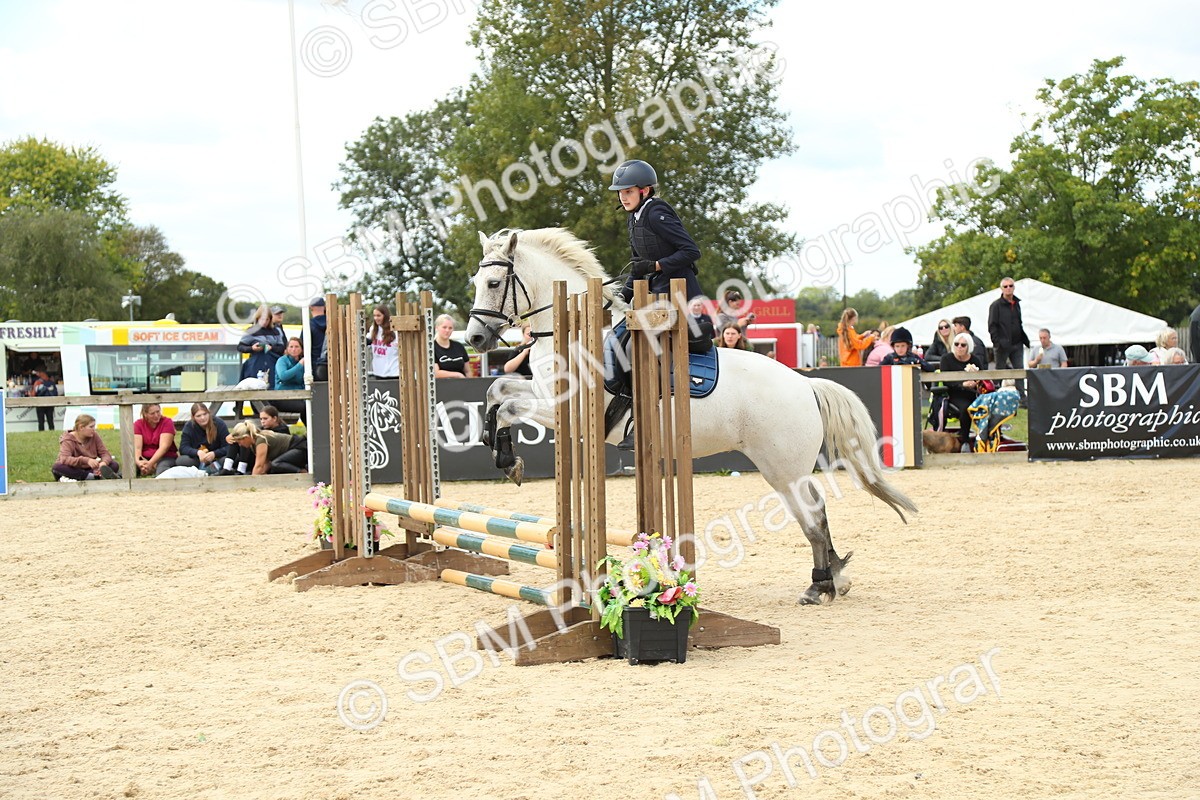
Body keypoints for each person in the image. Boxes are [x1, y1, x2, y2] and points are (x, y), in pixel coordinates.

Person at [607, 159, 702, 450]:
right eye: (620, 191)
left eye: (628, 191)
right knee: (617, 338)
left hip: (679, 295)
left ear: (645, 191)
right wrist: (619, 297)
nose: (623, 196)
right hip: (654, 296)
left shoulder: (657, 212)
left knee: (636, 348)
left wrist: (658, 264)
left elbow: (690, 251)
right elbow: (639, 268)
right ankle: (623, 408)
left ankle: (644, 420)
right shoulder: (633, 218)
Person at [51, 414, 121, 482]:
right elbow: (65, 459)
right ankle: (93, 477)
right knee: (58, 467)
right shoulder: (67, 439)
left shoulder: (94, 436)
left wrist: (103, 463)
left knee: (114, 465)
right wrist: (86, 460)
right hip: (74, 468)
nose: (94, 429)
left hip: (90, 468)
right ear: (81, 427)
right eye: (91, 427)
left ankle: (91, 476)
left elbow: (105, 453)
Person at [222, 421, 307, 475]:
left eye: (240, 442)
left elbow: (258, 466)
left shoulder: (260, 441)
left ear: (246, 437)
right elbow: (265, 463)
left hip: (300, 448)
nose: (240, 445)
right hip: (293, 450)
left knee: (276, 464)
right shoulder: (254, 443)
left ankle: (303, 473)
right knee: (273, 466)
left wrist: (251, 484)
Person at [238, 304, 287, 385]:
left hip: (273, 363)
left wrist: (271, 348)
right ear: (257, 318)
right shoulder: (251, 331)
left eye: (267, 319)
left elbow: (281, 348)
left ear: (270, 320)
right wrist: (252, 348)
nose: (264, 322)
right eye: (262, 319)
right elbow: (240, 347)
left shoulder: (276, 331)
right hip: (255, 364)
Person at [176, 402, 229, 474]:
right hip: (198, 460)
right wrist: (197, 452)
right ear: (193, 417)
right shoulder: (189, 426)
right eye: (198, 416)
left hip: (217, 458)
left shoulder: (219, 423)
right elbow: (183, 448)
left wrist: (214, 454)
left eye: (205, 414)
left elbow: (228, 446)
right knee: (181, 461)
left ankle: (210, 470)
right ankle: (204, 470)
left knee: (229, 459)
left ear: (209, 413)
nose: (203, 418)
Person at [133, 403, 178, 477]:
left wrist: (150, 463)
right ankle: (119, 478)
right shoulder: (138, 424)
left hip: (165, 456)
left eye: (158, 412)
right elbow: (137, 448)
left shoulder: (167, 422)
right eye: (152, 413)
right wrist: (139, 462)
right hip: (144, 457)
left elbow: (164, 447)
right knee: (130, 466)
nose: (156, 415)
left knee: (162, 469)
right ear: (145, 414)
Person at [272, 337, 307, 424]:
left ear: (301, 349)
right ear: (287, 349)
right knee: (306, 407)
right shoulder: (282, 361)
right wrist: (299, 365)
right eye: (291, 347)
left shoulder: (305, 362)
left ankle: (312, 432)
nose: (294, 349)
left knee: (313, 405)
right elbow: (283, 376)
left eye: (297, 346)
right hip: (283, 397)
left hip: (299, 395)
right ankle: (311, 432)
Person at [367, 304, 400, 379]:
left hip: (393, 372)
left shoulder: (394, 331)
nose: (376, 318)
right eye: (374, 316)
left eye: (378, 316)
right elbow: (367, 340)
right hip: (378, 372)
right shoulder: (373, 329)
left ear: (385, 316)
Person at [309, 296, 328, 381]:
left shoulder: (309, 325)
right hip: (332, 363)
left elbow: (303, 345)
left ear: (311, 308)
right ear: (324, 307)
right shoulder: (332, 323)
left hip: (314, 364)